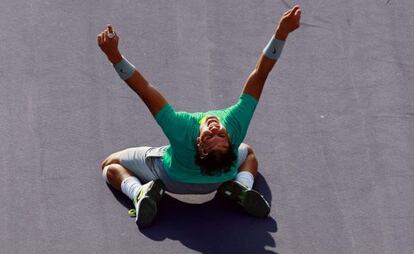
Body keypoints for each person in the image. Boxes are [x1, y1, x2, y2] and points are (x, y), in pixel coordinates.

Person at [97, 5, 301, 228]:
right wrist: (281, 33)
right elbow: (260, 75)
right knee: (249, 153)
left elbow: (144, 89)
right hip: (220, 179)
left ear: (199, 144)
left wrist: (114, 56)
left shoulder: (181, 128)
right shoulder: (235, 126)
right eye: (221, 135)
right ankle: (241, 188)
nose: (216, 128)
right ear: (230, 139)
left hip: (171, 178)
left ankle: (139, 192)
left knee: (109, 165)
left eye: (211, 136)